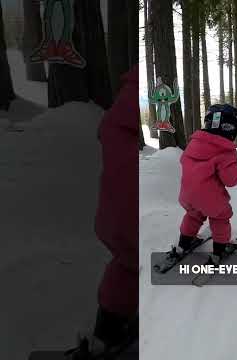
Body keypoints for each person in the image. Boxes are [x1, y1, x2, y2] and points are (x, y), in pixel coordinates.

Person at [66, 65, 139, 359]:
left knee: (126, 266)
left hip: (114, 219)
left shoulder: (124, 103)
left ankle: (106, 332)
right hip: (134, 218)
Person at [175, 104, 237, 264]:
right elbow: (229, 179)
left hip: (187, 196)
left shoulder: (193, 144)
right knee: (220, 217)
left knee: (193, 215)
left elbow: (184, 162)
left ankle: (183, 245)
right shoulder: (226, 151)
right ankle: (219, 251)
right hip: (211, 199)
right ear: (231, 130)